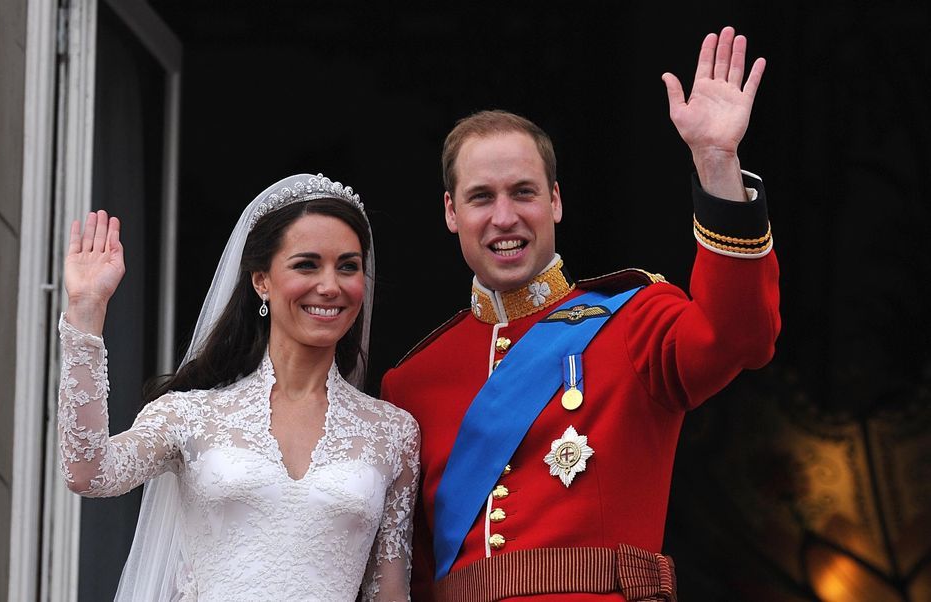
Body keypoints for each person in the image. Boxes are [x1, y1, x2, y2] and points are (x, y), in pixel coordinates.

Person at [381, 27, 780, 601]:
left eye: (523, 192)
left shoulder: (635, 323)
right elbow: (410, 573)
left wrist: (716, 164)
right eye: (480, 197)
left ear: (556, 201)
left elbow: (741, 335)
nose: (504, 217)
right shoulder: (411, 383)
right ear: (450, 212)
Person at [58, 173, 420, 601]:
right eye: (306, 264)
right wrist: (86, 309)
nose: (330, 285)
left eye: (348, 266)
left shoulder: (394, 433)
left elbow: (389, 590)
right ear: (260, 280)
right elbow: (88, 472)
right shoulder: (189, 414)